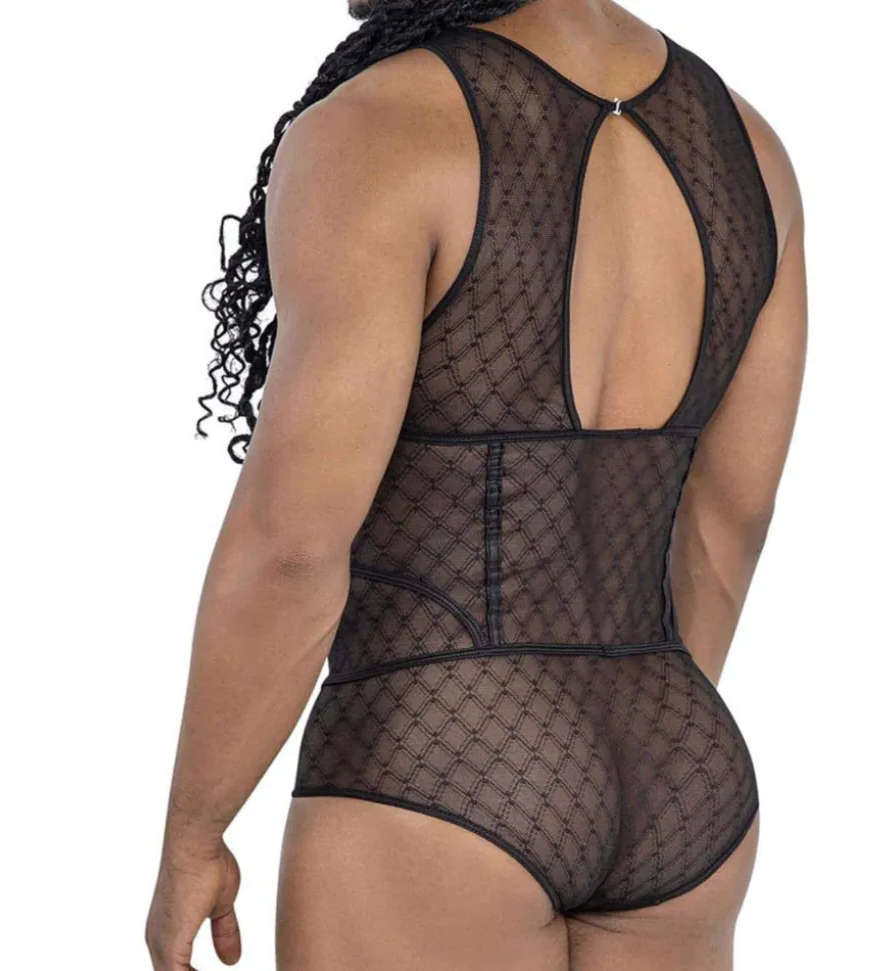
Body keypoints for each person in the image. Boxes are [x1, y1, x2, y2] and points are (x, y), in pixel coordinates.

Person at [145, 0, 807, 968]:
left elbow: (294, 545)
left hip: (433, 765)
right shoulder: (749, 147)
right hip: (680, 773)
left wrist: (194, 831)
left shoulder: (382, 127)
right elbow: (729, 514)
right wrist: (622, 728)